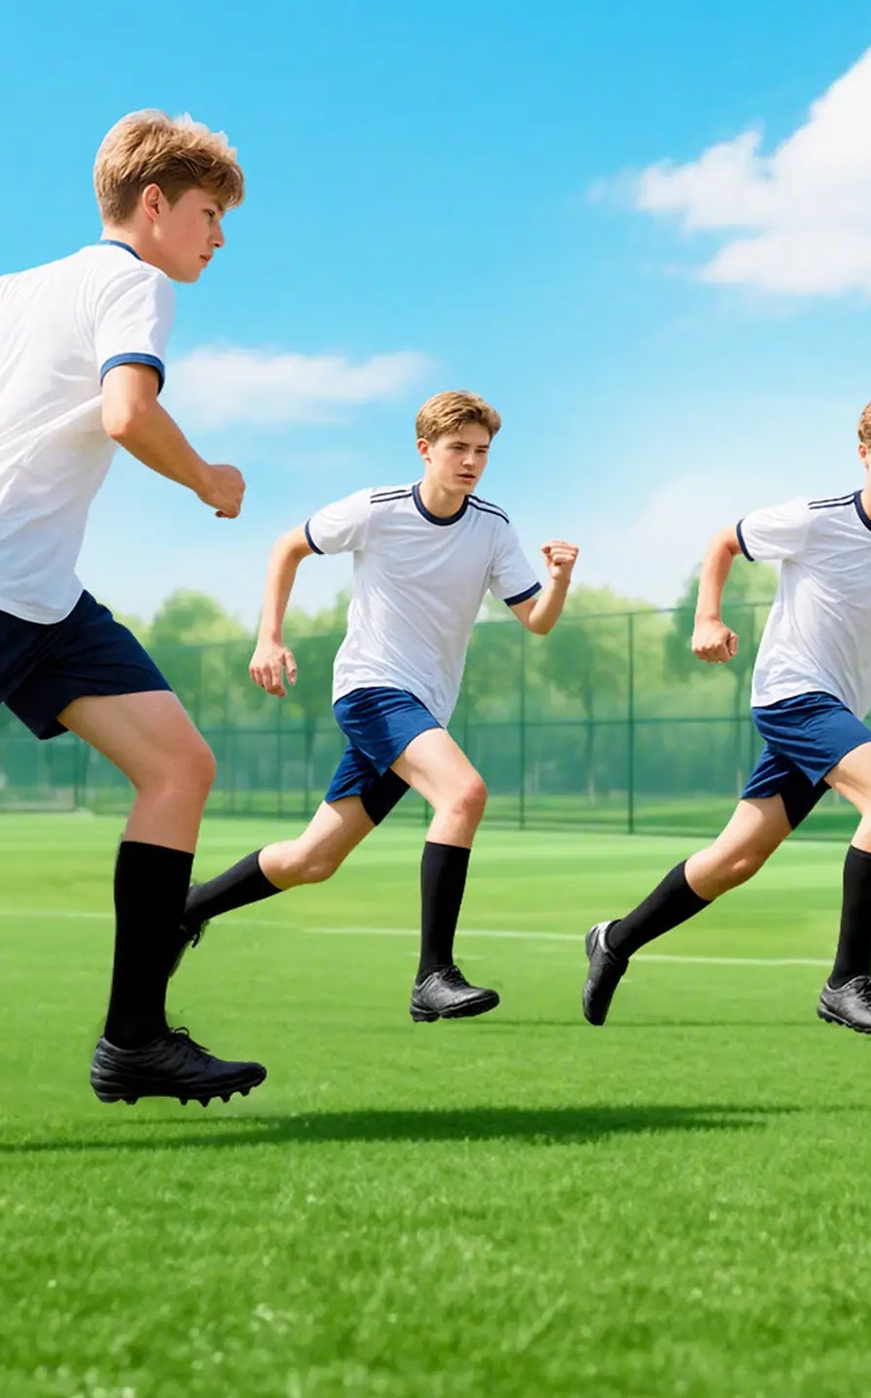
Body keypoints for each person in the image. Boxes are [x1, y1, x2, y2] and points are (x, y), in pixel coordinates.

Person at [0, 110, 265, 1105]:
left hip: (38, 598)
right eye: (211, 213)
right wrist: (209, 477)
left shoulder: (32, 284)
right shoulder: (134, 282)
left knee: (178, 763)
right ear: (155, 202)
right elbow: (127, 412)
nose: (219, 237)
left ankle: (135, 1040)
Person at [582, 392, 871, 1037]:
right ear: (864, 453)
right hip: (792, 694)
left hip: (836, 707)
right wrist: (707, 617)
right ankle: (847, 981)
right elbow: (723, 543)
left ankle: (614, 940)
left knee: (735, 860)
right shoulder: (815, 518)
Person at [176, 390, 577, 1022]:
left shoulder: (493, 526)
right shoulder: (375, 509)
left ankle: (187, 911)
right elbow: (288, 547)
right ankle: (433, 976)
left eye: (482, 452)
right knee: (463, 793)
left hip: (425, 708)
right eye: (458, 449)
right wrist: (269, 636)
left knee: (314, 859)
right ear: (425, 450)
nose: (471, 462)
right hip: (371, 688)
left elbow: (536, 620)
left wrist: (557, 582)